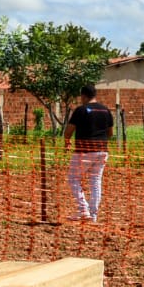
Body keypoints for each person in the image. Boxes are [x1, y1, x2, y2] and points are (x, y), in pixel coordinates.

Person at [63, 85, 114, 222]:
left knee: (73, 179)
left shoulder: (81, 110)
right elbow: (110, 133)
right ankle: (93, 215)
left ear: (83, 96)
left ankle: (83, 209)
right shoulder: (106, 110)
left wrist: (67, 141)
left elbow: (68, 131)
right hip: (102, 151)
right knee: (95, 181)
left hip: (84, 151)